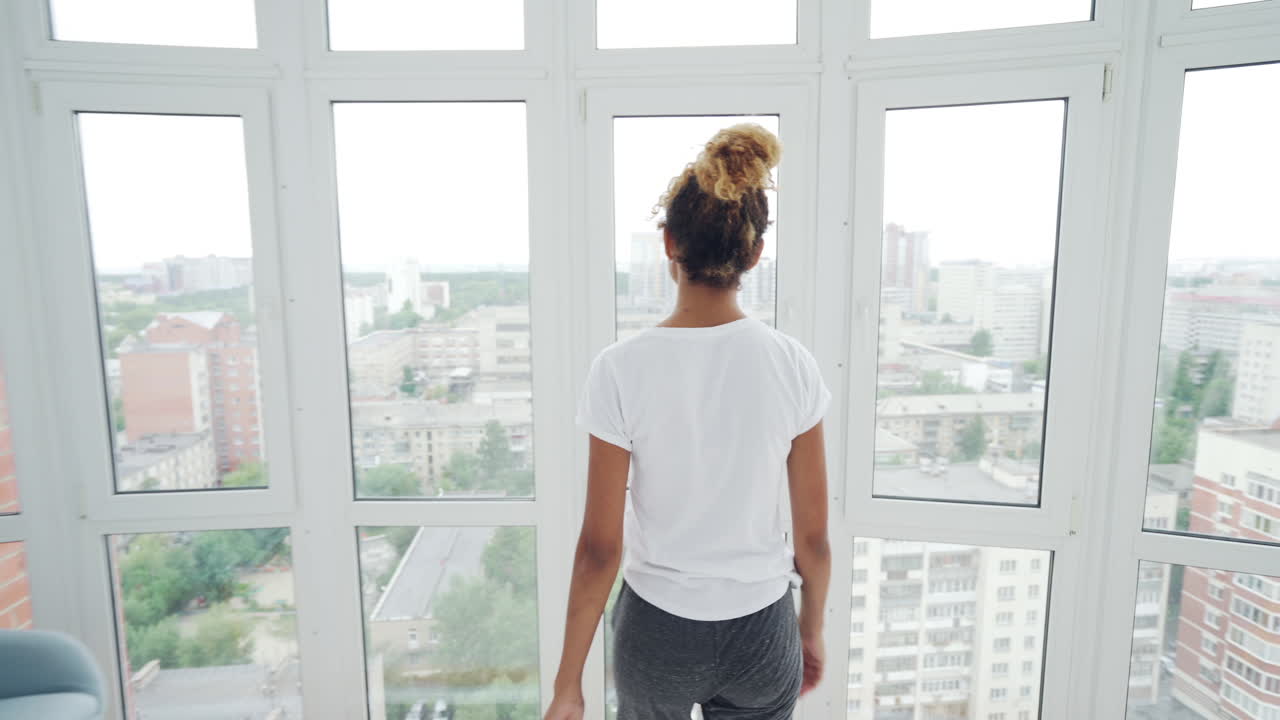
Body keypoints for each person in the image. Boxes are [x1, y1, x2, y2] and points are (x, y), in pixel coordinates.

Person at [544, 124, 832, 720]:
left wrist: (568, 686)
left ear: (669, 242)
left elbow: (599, 549)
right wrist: (809, 631)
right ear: (754, 253)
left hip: (658, 631)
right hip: (763, 629)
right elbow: (813, 540)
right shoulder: (793, 364)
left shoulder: (619, 368)